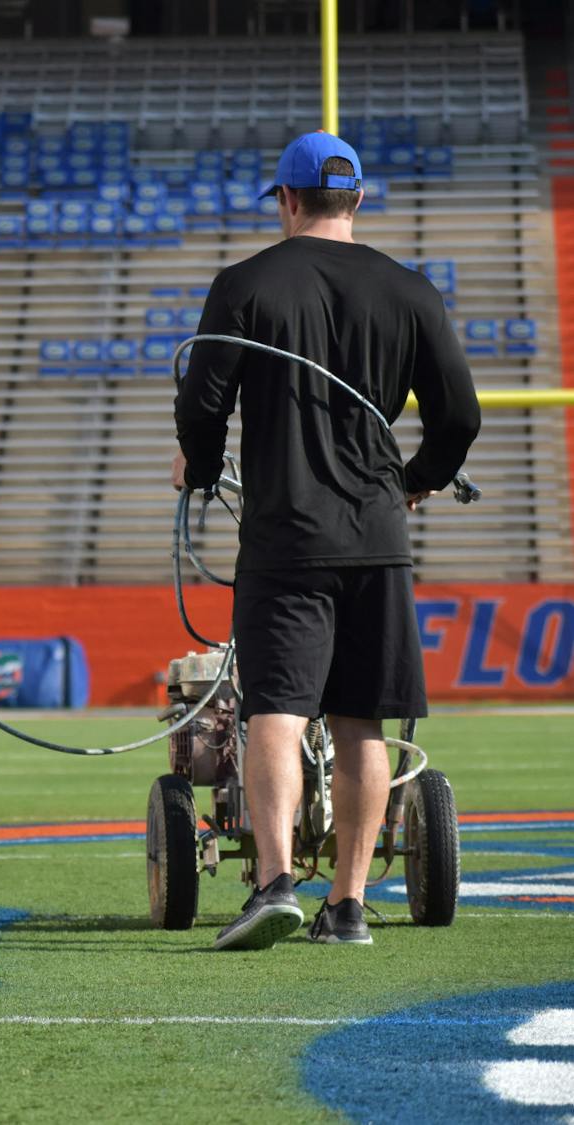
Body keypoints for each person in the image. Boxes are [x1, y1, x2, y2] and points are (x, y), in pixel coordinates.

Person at [171, 132, 480, 950]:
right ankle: (346, 907)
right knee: (363, 722)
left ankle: (274, 882)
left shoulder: (245, 285)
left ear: (286, 200)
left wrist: (199, 468)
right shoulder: (409, 289)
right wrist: (414, 479)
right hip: (377, 536)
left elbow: (200, 405)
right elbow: (461, 417)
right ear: (359, 202)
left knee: (274, 709)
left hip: (286, 535)